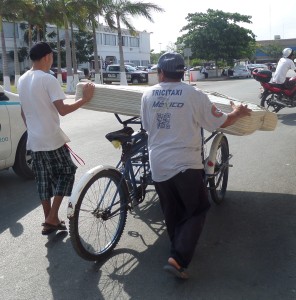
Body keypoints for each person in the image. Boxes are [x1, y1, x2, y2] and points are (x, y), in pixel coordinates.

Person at [140, 52, 251, 279]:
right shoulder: (194, 94)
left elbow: (146, 126)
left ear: (160, 72)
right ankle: (178, 259)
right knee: (198, 208)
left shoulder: (147, 95)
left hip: (158, 163)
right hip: (186, 163)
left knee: (172, 210)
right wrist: (238, 113)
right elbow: (220, 122)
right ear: (183, 73)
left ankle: (177, 246)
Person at [17, 42, 95, 235]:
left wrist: (35, 129)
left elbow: (22, 113)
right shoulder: (47, 79)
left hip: (34, 140)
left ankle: (49, 220)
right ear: (47, 57)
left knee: (43, 180)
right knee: (68, 171)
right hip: (51, 139)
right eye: (52, 56)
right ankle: (52, 217)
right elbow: (63, 110)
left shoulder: (23, 79)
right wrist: (84, 99)